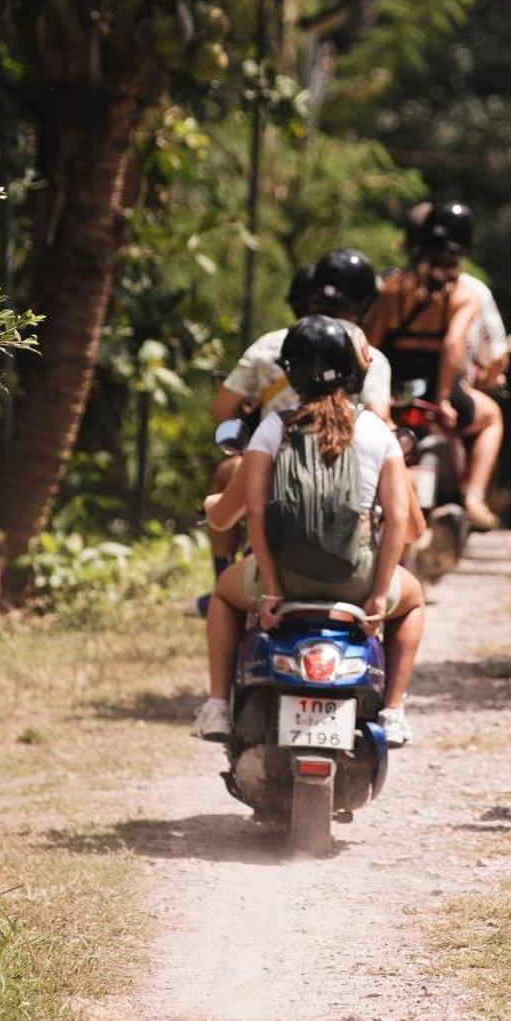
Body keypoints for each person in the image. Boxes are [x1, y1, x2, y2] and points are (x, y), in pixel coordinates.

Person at [195, 316, 425, 748]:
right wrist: (377, 595)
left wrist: (274, 587)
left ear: (290, 371)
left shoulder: (273, 427)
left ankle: (218, 707)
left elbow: (247, 513)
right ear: (353, 370)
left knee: (224, 596)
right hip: (355, 583)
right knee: (412, 602)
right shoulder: (376, 430)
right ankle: (393, 710)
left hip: (280, 580)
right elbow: (402, 522)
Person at [204, 249, 392, 577]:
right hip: (354, 565)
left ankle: (222, 576)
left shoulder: (271, 354)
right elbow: (382, 417)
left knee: (226, 475)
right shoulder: (369, 355)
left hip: (264, 472)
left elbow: (222, 410)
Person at [367, 201, 505, 530]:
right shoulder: (464, 295)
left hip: (393, 389)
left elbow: (372, 342)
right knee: (492, 419)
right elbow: (453, 345)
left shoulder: (391, 289)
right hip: (435, 388)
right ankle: (473, 497)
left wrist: (373, 393)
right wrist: (443, 398)